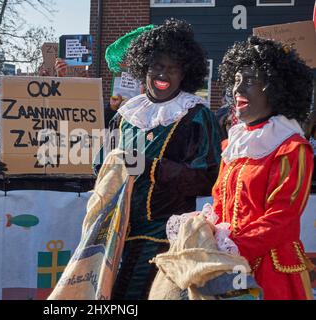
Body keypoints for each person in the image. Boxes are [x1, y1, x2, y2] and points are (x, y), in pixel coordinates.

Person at [94, 18, 222, 300]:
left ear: (184, 74)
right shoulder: (126, 115)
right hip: (116, 236)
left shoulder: (197, 115)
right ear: (144, 70)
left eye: (173, 68)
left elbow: (206, 177)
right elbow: (100, 163)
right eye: (157, 67)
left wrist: (149, 167)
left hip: (164, 238)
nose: (164, 74)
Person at [215, 36, 314, 300]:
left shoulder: (291, 146)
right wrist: (206, 229)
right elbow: (218, 201)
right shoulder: (234, 143)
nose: (238, 89)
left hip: (272, 272)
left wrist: (234, 246)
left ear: (275, 89)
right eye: (236, 80)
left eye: (249, 80)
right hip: (229, 265)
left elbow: (282, 218)